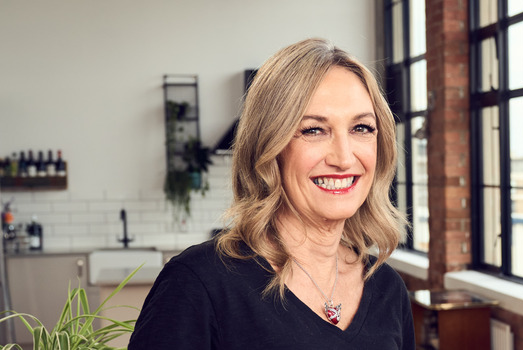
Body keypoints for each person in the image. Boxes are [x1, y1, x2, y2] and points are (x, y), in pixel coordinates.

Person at [130, 38, 413, 349]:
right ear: (269, 146)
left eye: (361, 128)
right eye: (313, 130)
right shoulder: (198, 284)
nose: (344, 158)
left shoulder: (388, 289)